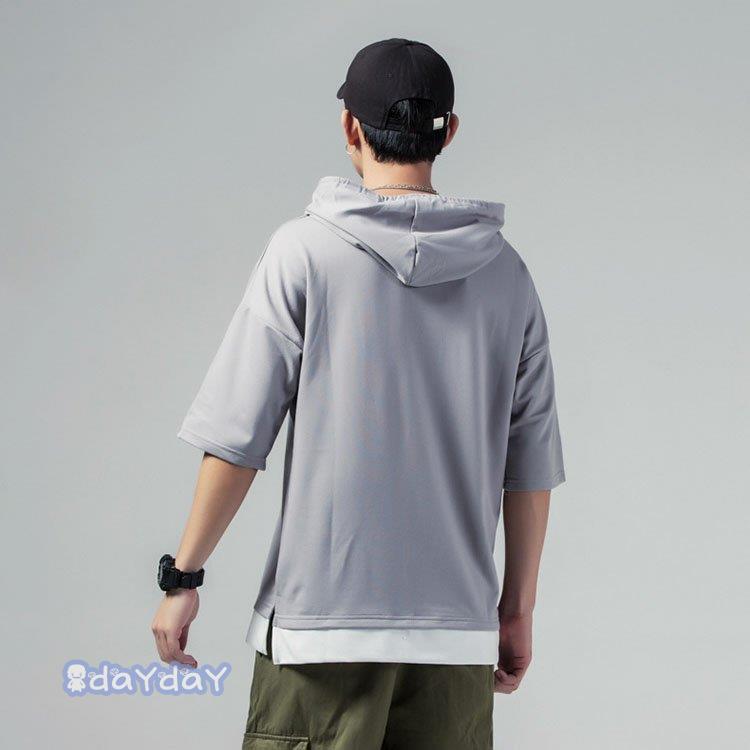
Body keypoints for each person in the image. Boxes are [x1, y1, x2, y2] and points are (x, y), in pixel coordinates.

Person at [151, 37, 565, 750]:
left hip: (318, 639)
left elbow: (236, 439)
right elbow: (529, 465)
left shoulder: (303, 253)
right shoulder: (507, 274)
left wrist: (183, 578)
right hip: (455, 640)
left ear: (350, 127)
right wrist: (515, 610)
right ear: (449, 132)